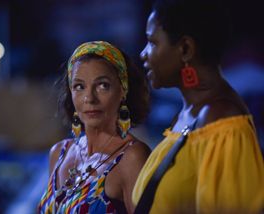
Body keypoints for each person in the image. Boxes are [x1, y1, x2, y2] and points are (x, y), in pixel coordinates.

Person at [132, 0, 264, 213]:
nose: (144, 54)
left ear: (185, 49)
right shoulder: (188, 114)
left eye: (153, 42)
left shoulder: (220, 119)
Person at [38, 41, 151, 213]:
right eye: (79, 87)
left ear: (123, 90)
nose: (89, 98)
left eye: (102, 85)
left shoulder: (132, 157)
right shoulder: (59, 152)